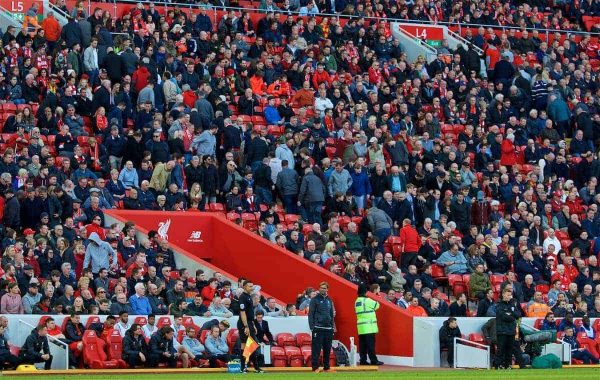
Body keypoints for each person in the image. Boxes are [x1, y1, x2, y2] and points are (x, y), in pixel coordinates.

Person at [308, 281, 335, 373]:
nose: (323, 289)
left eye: (325, 288)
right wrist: (312, 327)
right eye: (321, 288)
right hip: (318, 328)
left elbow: (331, 314)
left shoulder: (329, 300)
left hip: (328, 329)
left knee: (327, 349)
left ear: (327, 289)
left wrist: (332, 327)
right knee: (316, 349)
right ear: (319, 288)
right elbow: (310, 314)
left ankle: (326, 368)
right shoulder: (314, 300)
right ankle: (315, 368)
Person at [237, 280, 263, 373]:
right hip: (244, 324)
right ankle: (243, 368)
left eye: (252, 286)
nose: (251, 288)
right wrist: (246, 326)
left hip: (249, 323)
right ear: (244, 287)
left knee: (251, 345)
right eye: (249, 286)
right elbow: (242, 313)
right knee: (245, 345)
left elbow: (250, 313)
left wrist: (253, 325)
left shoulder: (248, 297)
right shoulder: (243, 298)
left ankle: (254, 367)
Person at [355, 284, 383, 366]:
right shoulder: (367, 300)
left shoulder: (357, 301)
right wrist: (377, 295)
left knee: (362, 346)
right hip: (369, 327)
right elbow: (377, 305)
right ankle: (374, 360)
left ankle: (363, 360)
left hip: (361, 327)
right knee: (371, 346)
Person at [495, 287, 521, 369]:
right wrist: (512, 316)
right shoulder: (499, 305)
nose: (509, 296)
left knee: (509, 350)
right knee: (501, 349)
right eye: (507, 295)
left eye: (510, 295)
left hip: (511, 331)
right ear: (503, 295)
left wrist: (511, 314)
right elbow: (503, 317)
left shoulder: (512, 304)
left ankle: (508, 365)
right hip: (502, 331)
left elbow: (518, 314)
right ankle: (498, 365)